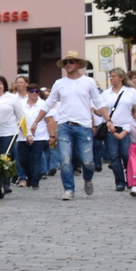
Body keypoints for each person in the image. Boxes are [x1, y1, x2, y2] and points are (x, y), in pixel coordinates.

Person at [44, 51, 107, 200]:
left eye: (71, 62)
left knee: (88, 162)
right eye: (66, 62)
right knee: (65, 159)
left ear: (78, 64)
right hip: (65, 125)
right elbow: (48, 103)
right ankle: (68, 189)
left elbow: (99, 102)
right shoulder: (59, 83)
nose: (68, 65)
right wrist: (35, 121)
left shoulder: (88, 82)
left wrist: (108, 120)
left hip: (83, 126)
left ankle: (88, 178)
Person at [99, 68, 136, 192]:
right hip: (111, 128)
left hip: (127, 127)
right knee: (114, 156)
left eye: (114, 76)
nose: (111, 78)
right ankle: (119, 181)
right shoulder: (106, 94)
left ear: (121, 78)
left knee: (126, 154)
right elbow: (100, 109)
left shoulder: (131, 92)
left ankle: (130, 178)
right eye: (110, 76)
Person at [20, 88, 53, 189]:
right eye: (31, 91)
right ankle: (29, 176)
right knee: (23, 160)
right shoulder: (21, 103)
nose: (34, 93)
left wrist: (52, 136)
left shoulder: (43, 104)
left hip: (40, 135)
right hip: (22, 136)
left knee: (36, 159)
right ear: (27, 92)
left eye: (36, 91)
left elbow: (49, 120)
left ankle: (35, 181)